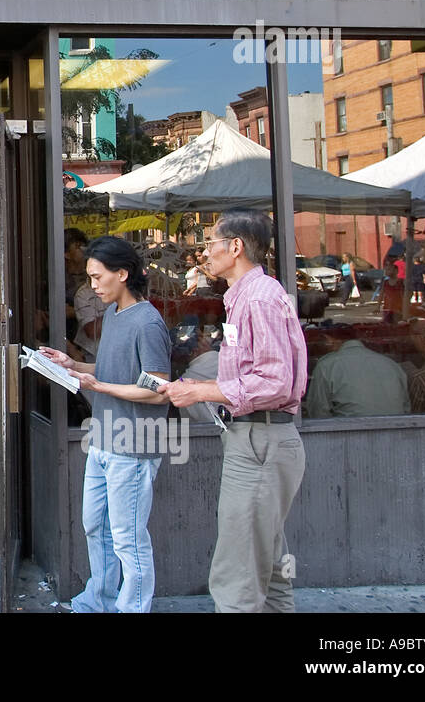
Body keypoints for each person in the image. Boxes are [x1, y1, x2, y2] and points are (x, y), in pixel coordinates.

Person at [161, 209, 308, 613]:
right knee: (268, 562)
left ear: (236, 247)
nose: (205, 252)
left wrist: (204, 390)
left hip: (261, 439)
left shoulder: (258, 298)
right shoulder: (247, 296)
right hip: (256, 438)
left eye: (211, 243)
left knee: (237, 573)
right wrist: (202, 389)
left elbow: (275, 381)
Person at [40, 236, 171, 613]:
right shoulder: (115, 313)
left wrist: (97, 385)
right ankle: (97, 601)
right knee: (95, 527)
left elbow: (158, 388)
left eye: (97, 277)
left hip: (132, 444)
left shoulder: (147, 322)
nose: (92, 286)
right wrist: (72, 365)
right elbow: (112, 372)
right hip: (104, 439)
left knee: (128, 539)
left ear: (123, 274)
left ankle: (132, 608)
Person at [304, 324, 409, 417]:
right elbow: (406, 408)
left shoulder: (327, 365)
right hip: (395, 431)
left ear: (330, 340)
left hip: (347, 433)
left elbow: (318, 412)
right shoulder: (390, 363)